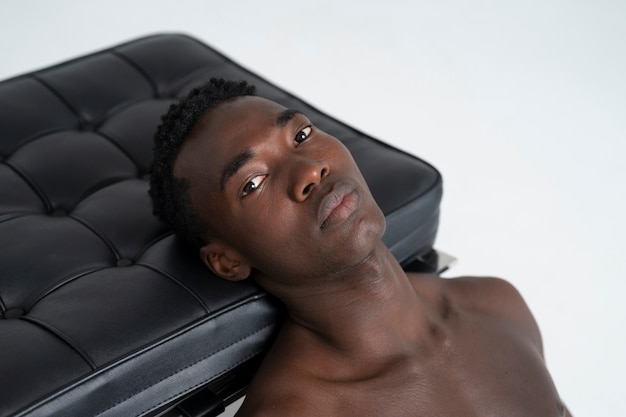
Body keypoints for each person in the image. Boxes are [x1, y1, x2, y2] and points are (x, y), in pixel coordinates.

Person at [150, 78, 570, 416]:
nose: (310, 169)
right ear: (227, 261)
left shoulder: (498, 304)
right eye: (253, 183)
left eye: (300, 134)